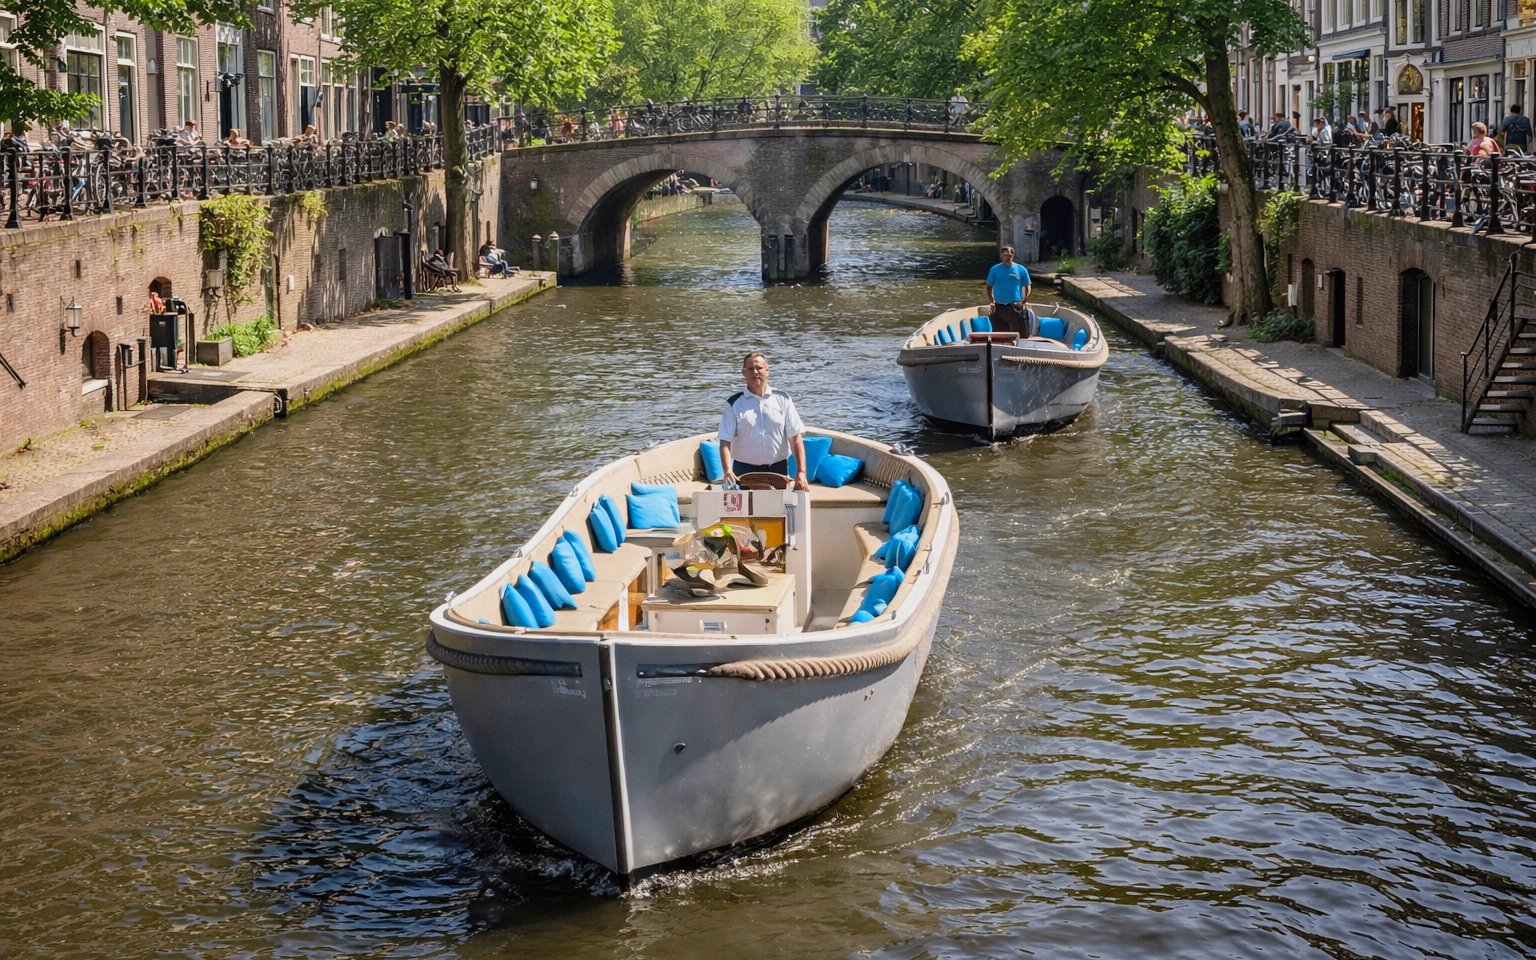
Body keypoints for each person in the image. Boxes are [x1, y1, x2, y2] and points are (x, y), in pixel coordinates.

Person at [718, 352, 809, 491]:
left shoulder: (783, 399)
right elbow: (725, 442)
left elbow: (795, 438)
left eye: (759, 368)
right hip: (744, 471)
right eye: (750, 369)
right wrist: (727, 471)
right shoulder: (733, 404)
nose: (755, 372)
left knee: (778, 512)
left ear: (767, 370)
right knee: (746, 512)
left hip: (778, 470)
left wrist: (801, 473)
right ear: (744, 373)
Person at [986, 245, 1032, 334]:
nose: (1007, 257)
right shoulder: (994, 269)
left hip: (1015, 304)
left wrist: (1025, 299)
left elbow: (1027, 286)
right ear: (1001, 256)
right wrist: (991, 301)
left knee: (1020, 331)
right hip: (999, 305)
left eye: (1009, 255)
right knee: (1000, 332)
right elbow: (989, 287)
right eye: (1005, 255)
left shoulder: (1021, 269)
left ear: (1013, 256)